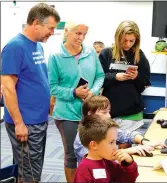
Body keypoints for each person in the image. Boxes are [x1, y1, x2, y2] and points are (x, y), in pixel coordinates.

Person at [1, 3, 60, 182]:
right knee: (30, 173)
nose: (52, 32)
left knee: (30, 168)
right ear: (36, 22)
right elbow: (8, 88)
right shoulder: (15, 47)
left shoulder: (37, 46)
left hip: (38, 119)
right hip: (25, 122)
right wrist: (19, 123)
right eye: (50, 28)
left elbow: (37, 79)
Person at [48, 20, 105, 182]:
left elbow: (100, 76)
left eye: (84, 34)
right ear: (66, 32)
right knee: (72, 153)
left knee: (92, 150)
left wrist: (92, 92)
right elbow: (52, 88)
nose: (81, 37)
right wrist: (74, 92)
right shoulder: (56, 57)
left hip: (90, 111)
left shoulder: (90, 52)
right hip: (67, 114)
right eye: (78, 33)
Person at [99, 20, 151, 148]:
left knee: (124, 152)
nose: (127, 44)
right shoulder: (106, 54)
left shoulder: (139, 56)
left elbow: (144, 84)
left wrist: (136, 77)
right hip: (109, 112)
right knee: (108, 150)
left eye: (131, 41)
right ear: (118, 38)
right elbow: (98, 79)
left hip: (131, 112)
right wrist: (115, 77)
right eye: (124, 40)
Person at [74, 95, 166, 163]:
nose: (109, 116)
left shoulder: (106, 128)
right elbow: (98, 156)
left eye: (109, 112)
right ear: (90, 114)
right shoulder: (82, 136)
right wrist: (127, 151)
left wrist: (144, 141)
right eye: (104, 112)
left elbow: (127, 135)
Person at [74, 114, 139, 183]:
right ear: (94, 145)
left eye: (115, 142)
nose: (115, 147)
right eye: (111, 142)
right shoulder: (84, 170)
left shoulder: (107, 162)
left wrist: (129, 163)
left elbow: (127, 180)